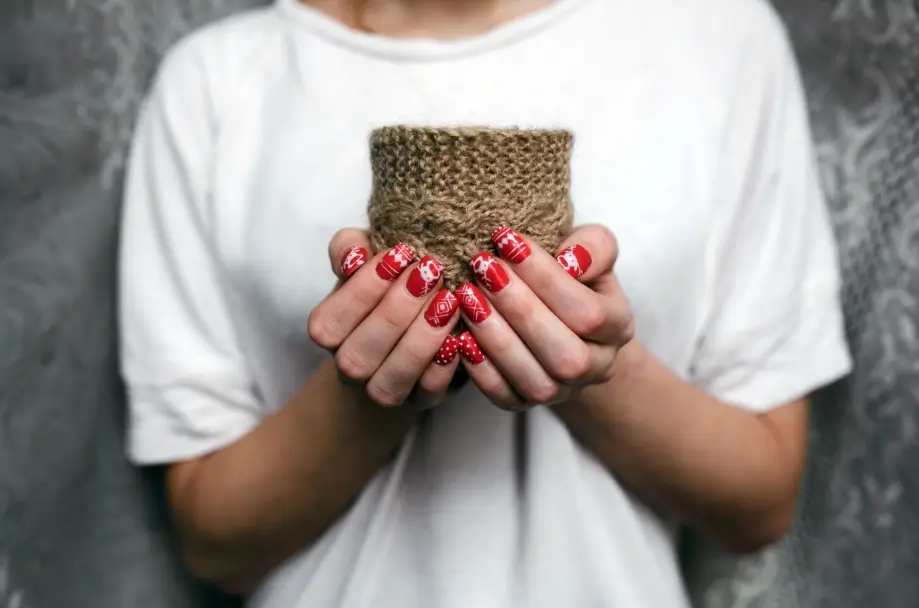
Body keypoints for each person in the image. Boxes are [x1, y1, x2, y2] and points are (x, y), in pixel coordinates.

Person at [117, 0, 853, 605]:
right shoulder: (218, 83)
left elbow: (760, 506)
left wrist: (589, 361)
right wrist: (379, 386)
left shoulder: (718, 37)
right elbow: (213, 542)